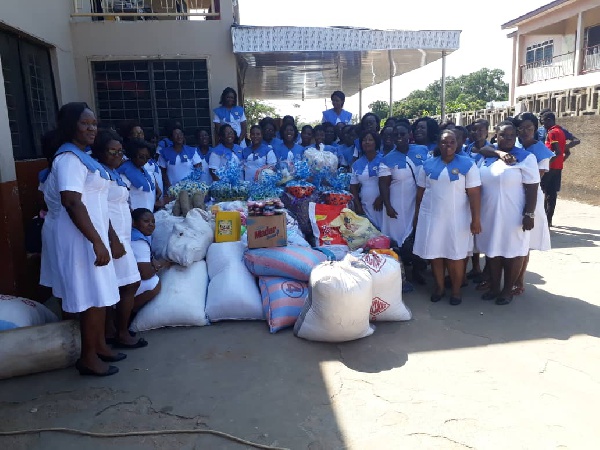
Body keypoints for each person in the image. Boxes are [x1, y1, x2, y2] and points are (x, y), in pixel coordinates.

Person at [51, 102, 122, 376]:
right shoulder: (68, 159)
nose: (92, 128)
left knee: (101, 294)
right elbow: (71, 201)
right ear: (71, 126)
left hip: (94, 234)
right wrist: (96, 240)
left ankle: (101, 347)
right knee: (90, 298)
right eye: (85, 123)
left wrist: (106, 237)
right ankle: (88, 357)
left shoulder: (84, 157)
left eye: (94, 124)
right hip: (81, 238)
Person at [413, 129, 482, 305]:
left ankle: (456, 291)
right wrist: (416, 216)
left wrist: (476, 219)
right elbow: (420, 193)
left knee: (455, 256)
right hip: (432, 217)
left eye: (451, 142)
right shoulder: (428, 165)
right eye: (444, 142)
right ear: (438, 144)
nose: (448, 145)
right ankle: (439, 287)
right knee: (435, 255)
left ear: (457, 144)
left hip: (457, 219)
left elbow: (474, 194)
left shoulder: (468, 165)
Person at [92, 130, 146, 349]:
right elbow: (100, 210)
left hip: (123, 237)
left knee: (119, 285)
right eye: (111, 151)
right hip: (113, 239)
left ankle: (112, 331)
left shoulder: (112, 173)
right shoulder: (98, 175)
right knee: (130, 284)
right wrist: (113, 239)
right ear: (100, 152)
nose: (117, 155)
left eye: (120, 151)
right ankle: (120, 333)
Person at [477, 121, 540, 305]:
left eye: (512, 135)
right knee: (493, 251)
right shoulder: (488, 155)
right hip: (489, 214)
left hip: (513, 214)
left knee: (512, 252)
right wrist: (499, 152)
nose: (508, 138)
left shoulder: (525, 158)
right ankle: (495, 287)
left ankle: (507, 290)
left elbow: (533, 188)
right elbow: (482, 150)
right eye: (503, 135)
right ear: (496, 135)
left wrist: (529, 214)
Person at [511, 112, 554, 296]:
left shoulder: (542, 152)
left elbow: (535, 178)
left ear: (536, 128)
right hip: (511, 195)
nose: (525, 131)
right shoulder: (513, 145)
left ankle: (519, 279)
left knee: (524, 242)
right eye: (521, 128)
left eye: (529, 128)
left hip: (530, 197)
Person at [378, 127, 419, 252]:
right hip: (397, 205)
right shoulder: (387, 159)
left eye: (403, 133)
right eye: (396, 135)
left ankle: (418, 267)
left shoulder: (421, 151)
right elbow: (383, 185)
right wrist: (388, 206)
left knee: (416, 234)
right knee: (397, 236)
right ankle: (401, 264)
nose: (399, 137)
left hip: (417, 203)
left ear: (409, 134)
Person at [39, 130, 63, 303]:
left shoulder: (45, 172)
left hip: (52, 224)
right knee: (66, 278)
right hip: (64, 227)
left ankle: (71, 323)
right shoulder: (62, 170)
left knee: (61, 280)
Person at [130, 208, 171, 312]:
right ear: (134, 223)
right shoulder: (138, 241)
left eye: (153, 221)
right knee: (153, 283)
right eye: (146, 221)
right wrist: (161, 265)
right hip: (125, 285)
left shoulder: (135, 234)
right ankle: (124, 312)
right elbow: (146, 274)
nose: (151, 224)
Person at [541, 111, 570, 227]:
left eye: (543, 121)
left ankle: (543, 220)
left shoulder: (552, 132)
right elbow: (564, 151)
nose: (542, 124)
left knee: (542, 192)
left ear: (549, 120)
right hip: (558, 167)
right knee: (552, 194)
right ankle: (548, 220)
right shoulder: (561, 132)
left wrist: (547, 165)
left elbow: (557, 152)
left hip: (550, 167)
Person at [350, 130, 384, 229]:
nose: (367, 142)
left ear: (376, 143)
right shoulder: (356, 164)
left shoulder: (384, 160)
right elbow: (353, 187)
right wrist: (358, 205)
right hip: (366, 206)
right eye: (364, 140)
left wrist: (382, 197)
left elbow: (391, 182)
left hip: (383, 204)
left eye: (370, 140)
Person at [118, 139, 159, 212]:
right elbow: (122, 198)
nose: (144, 160)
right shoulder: (125, 172)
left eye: (147, 157)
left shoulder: (143, 170)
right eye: (141, 157)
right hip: (135, 216)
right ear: (133, 154)